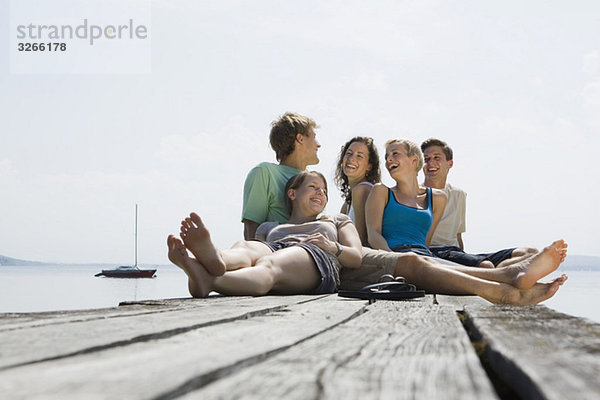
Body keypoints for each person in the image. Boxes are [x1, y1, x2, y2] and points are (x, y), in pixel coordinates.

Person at [167, 171, 363, 297]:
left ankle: (209, 280)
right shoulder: (269, 227)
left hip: (314, 254)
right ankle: (217, 258)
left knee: (269, 264)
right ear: (292, 194)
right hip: (273, 247)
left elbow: (356, 258)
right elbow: (250, 261)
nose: (320, 192)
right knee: (245, 247)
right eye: (313, 187)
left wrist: (330, 246)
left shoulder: (336, 220)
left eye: (324, 190)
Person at [421, 138, 537, 268]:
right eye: (426, 159)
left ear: (450, 163)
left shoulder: (459, 194)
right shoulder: (415, 195)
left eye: (437, 158)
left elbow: (458, 237)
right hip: (434, 253)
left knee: (530, 253)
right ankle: (499, 273)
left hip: (456, 253)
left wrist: (466, 260)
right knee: (485, 266)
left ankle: (500, 271)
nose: (431, 163)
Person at [242, 112, 321, 240]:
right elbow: (251, 230)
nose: (318, 144)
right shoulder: (264, 172)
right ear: (300, 139)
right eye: (314, 137)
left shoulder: (314, 181)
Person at [365, 139, 447, 256]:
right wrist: (395, 259)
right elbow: (373, 235)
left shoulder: (438, 198)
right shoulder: (381, 192)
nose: (388, 160)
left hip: (424, 257)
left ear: (414, 160)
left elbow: (425, 242)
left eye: (395, 154)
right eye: (386, 157)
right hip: (396, 254)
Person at [334, 136, 381, 245]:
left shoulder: (363, 189)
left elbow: (362, 240)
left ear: (369, 166)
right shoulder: (347, 205)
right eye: (349, 153)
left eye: (359, 156)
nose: (351, 159)